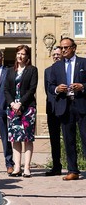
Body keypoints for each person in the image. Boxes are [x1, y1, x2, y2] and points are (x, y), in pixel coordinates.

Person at [49, 37, 86, 181]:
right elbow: (51, 86)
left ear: (74, 48)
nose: (63, 50)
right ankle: (73, 170)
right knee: (69, 140)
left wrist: (82, 86)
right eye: (62, 47)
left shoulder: (83, 62)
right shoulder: (56, 66)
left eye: (66, 47)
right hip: (65, 106)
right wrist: (57, 89)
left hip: (81, 104)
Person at [4, 44, 38, 178]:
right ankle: (17, 167)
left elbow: (32, 89)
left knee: (27, 138)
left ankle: (27, 167)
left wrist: (20, 103)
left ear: (27, 56)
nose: (20, 56)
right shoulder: (10, 71)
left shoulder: (32, 70)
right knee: (15, 138)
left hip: (27, 108)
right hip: (12, 108)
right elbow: (6, 89)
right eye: (18, 53)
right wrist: (12, 103)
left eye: (23, 54)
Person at [44, 46, 63, 176]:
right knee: (54, 140)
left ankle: (74, 166)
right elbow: (48, 90)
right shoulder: (47, 71)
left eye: (58, 54)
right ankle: (56, 166)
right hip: (52, 109)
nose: (56, 56)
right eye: (54, 55)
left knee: (69, 138)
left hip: (67, 108)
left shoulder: (67, 69)